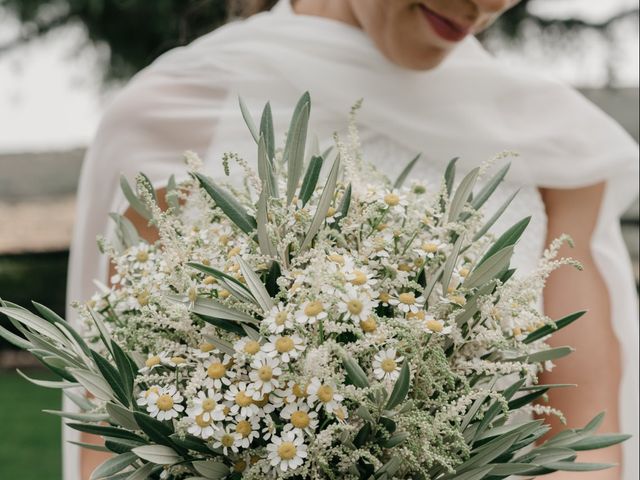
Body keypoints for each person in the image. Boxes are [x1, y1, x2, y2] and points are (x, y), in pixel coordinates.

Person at [65, 0, 639, 479]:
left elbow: (584, 436)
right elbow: (116, 430)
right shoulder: (170, 113)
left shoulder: (556, 143)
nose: (488, 3)